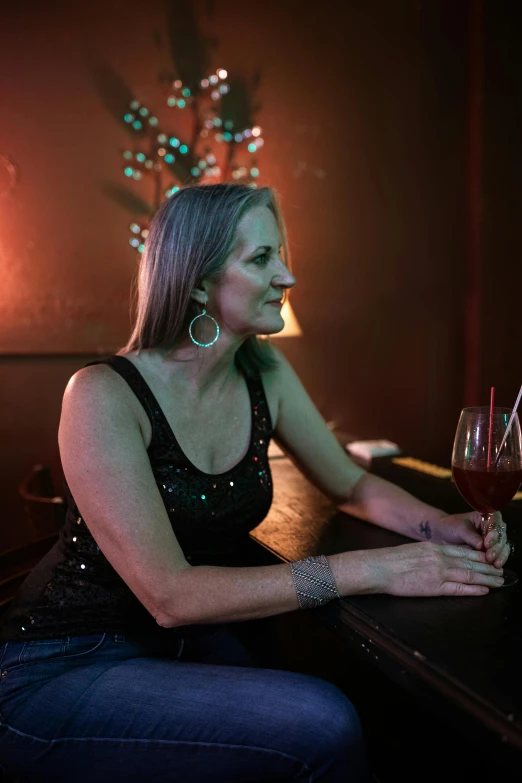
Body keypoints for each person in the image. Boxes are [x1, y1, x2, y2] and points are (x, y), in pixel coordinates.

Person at [0, 183, 509, 783]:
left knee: (362, 696)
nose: (288, 277)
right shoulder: (102, 395)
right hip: (62, 665)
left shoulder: (264, 368)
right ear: (196, 282)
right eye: (262, 258)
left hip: (186, 648)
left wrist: (439, 525)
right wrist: (380, 568)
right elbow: (171, 597)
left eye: (281, 256)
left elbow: (349, 484)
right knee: (324, 721)